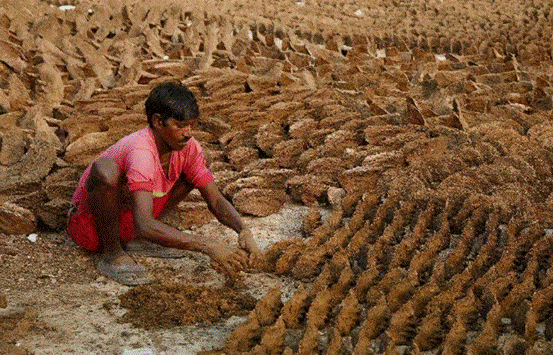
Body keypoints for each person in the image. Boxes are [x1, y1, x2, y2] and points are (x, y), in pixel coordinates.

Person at [66, 81, 261, 285]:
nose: (188, 133)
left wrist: (243, 230)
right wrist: (207, 245)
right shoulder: (141, 151)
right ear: (158, 122)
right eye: (180, 125)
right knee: (106, 170)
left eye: (191, 125)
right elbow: (145, 224)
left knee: (196, 169)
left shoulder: (188, 147)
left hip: (132, 223)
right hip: (93, 228)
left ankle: (137, 241)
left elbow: (215, 199)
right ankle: (112, 253)